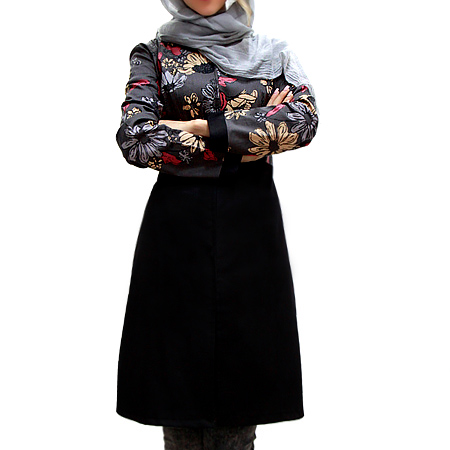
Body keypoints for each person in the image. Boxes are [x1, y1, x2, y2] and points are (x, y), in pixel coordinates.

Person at [115, 0, 319, 448]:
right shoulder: (153, 54)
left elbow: (302, 122)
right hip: (177, 232)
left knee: (245, 392)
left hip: (251, 229)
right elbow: (138, 138)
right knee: (177, 394)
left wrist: (201, 128)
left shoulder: (274, 53)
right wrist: (250, 137)